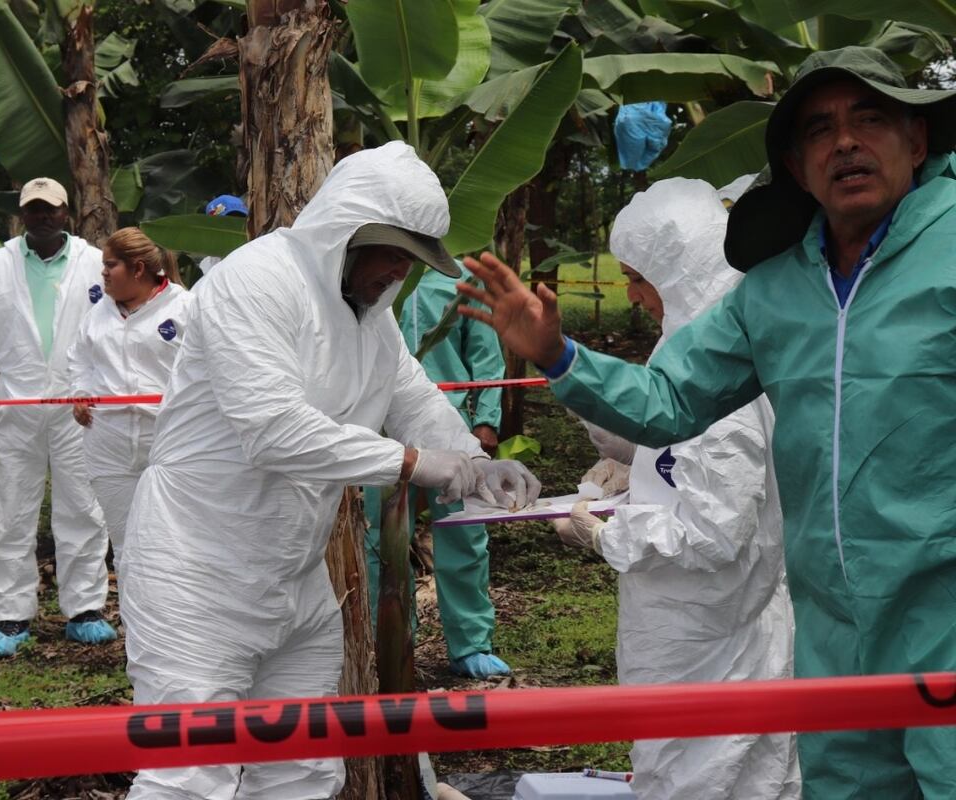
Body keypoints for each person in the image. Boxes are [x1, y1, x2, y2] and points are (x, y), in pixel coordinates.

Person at [458, 47, 956, 797]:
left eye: (870, 118)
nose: (845, 142)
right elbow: (670, 402)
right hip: (834, 629)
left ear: (917, 140)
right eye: (819, 129)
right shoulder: (778, 290)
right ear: (793, 164)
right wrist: (559, 354)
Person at [120, 141, 541, 799]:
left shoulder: (372, 317)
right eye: (391, 252)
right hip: (198, 572)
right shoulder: (258, 279)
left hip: (294, 578)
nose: (397, 272)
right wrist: (415, 464)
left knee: (303, 768)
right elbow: (272, 430)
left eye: (409, 259)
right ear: (346, 234)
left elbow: (411, 396)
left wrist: (476, 462)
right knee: (189, 775)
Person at [554, 179, 798, 799]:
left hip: (710, 627)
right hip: (689, 621)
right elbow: (671, 431)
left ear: (679, 270)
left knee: (705, 771)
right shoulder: (695, 342)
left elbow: (715, 532)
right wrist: (629, 464)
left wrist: (609, 530)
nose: (632, 296)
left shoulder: (725, 375)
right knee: (688, 762)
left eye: (639, 278)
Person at [0, 178, 114, 657]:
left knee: (82, 505)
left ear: (66, 214)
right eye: (34, 210)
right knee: (11, 508)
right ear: (21, 215)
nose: (42, 217)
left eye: (51, 210)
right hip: (18, 401)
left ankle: (85, 608)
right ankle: (10, 613)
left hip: (78, 404)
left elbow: (110, 326)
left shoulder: (93, 262)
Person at [363, 262, 511, 679]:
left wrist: (486, 420)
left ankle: (470, 642)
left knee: (463, 534)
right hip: (382, 431)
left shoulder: (461, 277)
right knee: (379, 538)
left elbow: (484, 350)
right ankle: (389, 637)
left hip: (450, 423)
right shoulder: (370, 279)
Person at [68, 228, 193, 554]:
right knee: (126, 547)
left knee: (176, 543)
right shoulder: (97, 314)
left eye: (111, 265)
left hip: (169, 445)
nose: (103, 272)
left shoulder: (185, 308)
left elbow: (203, 369)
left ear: (138, 269)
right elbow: (80, 360)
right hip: (109, 449)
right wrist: (80, 391)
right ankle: (134, 606)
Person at [198, 194, 249, 278]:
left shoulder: (256, 255)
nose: (234, 227)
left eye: (239, 221)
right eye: (226, 223)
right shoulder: (205, 266)